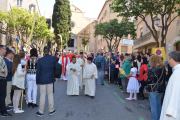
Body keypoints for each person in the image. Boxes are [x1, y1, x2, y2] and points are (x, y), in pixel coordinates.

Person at [36, 46, 56, 117]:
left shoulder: (40, 60)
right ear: (49, 52)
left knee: (42, 95)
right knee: (50, 94)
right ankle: (51, 110)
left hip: (42, 79)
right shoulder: (52, 59)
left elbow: (38, 72)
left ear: (43, 52)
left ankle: (41, 111)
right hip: (50, 79)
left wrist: (37, 81)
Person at [160, 51, 180, 120]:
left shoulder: (177, 73)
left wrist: (171, 110)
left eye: (168, 59)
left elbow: (176, 92)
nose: (168, 62)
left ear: (172, 59)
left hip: (173, 112)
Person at [146, 55, 166, 120]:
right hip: (161, 89)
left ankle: (155, 119)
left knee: (153, 106)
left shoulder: (152, 70)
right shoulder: (163, 68)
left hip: (154, 89)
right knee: (158, 105)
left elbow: (148, 81)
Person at [0, 45, 12, 117]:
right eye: (4, 49)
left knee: (2, 95)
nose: (5, 51)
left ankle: (2, 110)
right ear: (1, 49)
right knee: (2, 95)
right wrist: (4, 71)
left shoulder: (1, 58)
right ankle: (3, 111)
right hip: (2, 78)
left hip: (2, 78)